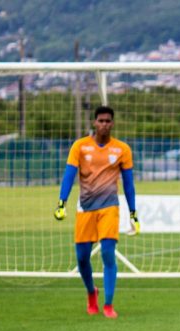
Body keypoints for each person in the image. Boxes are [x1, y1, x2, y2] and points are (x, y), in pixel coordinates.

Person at [54, 106, 139, 318]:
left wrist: (133, 213)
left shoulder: (122, 150)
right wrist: (61, 202)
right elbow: (69, 175)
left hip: (110, 207)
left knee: (108, 253)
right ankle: (92, 292)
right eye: (100, 120)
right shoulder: (80, 147)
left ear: (112, 123)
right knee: (82, 258)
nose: (104, 124)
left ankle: (108, 304)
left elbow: (128, 184)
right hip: (85, 207)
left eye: (108, 121)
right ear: (94, 123)